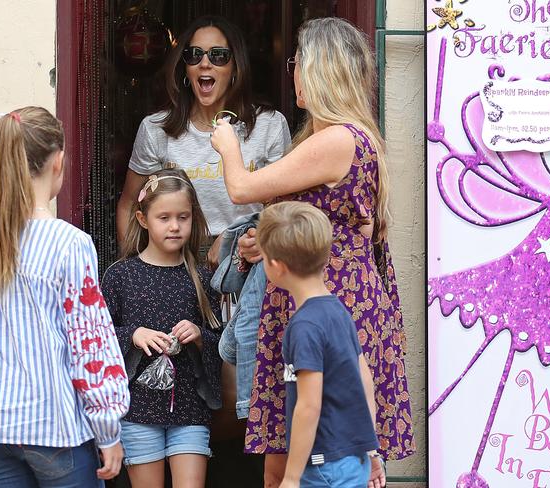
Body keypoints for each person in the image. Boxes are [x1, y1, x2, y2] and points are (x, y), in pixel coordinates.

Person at [212, 16, 416, 487]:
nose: (293, 71)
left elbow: (241, 188)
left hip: (325, 301)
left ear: (321, 69)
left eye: (297, 62)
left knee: (300, 456)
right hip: (332, 299)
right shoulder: (349, 138)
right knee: (301, 456)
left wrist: (227, 145)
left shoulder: (337, 140)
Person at [0, 107, 130, 487]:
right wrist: (108, 428)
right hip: (55, 426)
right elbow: (90, 345)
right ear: (59, 161)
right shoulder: (69, 244)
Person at [116, 15, 291, 265]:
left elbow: (285, 207)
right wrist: (136, 271)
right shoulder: (156, 128)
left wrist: (245, 239)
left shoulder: (269, 125)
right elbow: (129, 206)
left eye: (218, 55)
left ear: (235, 67)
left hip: (248, 262)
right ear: (185, 68)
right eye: (194, 55)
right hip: (174, 262)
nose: (205, 63)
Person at [102, 168, 223, 488]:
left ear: (193, 218)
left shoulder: (202, 278)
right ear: (142, 218)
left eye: (183, 217)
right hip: (138, 410)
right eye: (164, 217)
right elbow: (96, 340)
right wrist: (132, 335)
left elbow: (223, 342)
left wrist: (199, 337)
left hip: (190, 409)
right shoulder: (120, 276)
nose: (174, 226)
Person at [256, 202, 385, 488]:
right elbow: (364, 380)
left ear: (277, 266)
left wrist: (290, 477)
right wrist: (371, 450)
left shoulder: (304, 327)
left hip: (323, 469)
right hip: (353, 461)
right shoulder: (337, 311)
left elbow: (309, 406)